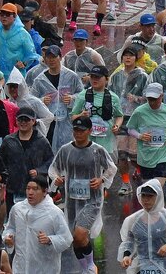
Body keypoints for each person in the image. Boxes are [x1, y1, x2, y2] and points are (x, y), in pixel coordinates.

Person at [49, 115, 116, 274]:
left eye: (82, 130)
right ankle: (86, 268)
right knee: (75, 238)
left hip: (92, 200)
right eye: (76, 130)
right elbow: (54, 168)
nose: (78, 133)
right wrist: (56, 178)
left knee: (80, 235)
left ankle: (91, 265)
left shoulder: (97, 150)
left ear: (90, 131)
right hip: (71, 200)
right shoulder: (65, 150)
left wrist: (101, 180)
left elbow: (111, 168)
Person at [118, 181, 166, 274]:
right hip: (142, 267)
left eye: (150, 196)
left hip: (165, 268)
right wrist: (126, 256)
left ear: (158, 197)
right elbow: (129, 241)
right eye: (143, 196)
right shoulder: (133, 220)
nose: (146, 200)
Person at [2, 178, 70, 274]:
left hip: (45, 268)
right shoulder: (17, 209)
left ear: (45, 191)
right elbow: (10, 228)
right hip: (20, 267)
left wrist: (50, 240)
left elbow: (66, 238)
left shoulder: (54, 213)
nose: (30, 192)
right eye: (28, 188)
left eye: (35, 189)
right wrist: (8, 238)